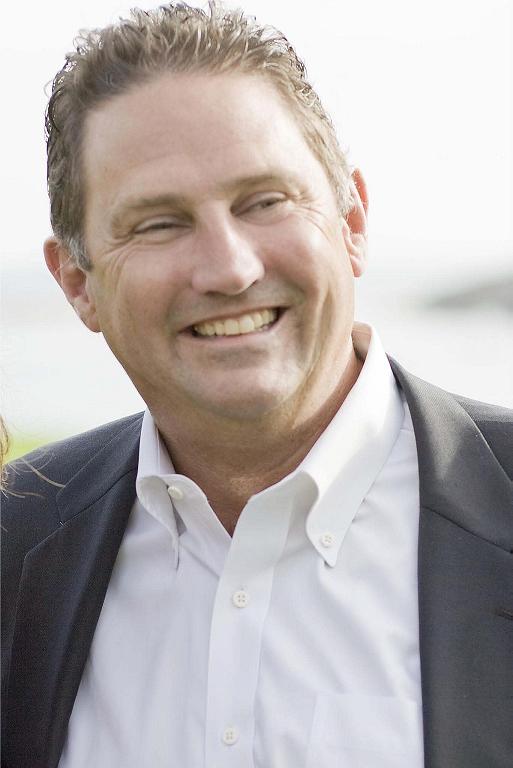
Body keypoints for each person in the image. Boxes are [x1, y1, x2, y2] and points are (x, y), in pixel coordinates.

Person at [2, 3, 512, 767]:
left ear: (352, 222)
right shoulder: (14, 547)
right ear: (78, 283)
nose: (231, 269)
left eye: (265, 202)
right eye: (158, 223)